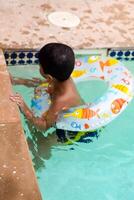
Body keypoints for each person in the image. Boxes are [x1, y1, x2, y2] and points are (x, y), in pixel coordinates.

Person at [10, 43, 100, 144]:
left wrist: (25, 108)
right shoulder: (65, 79)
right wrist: (18, 81)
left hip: (78, 131)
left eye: (40, 66)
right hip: (74, 116)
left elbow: (44, 126)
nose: (39, 67)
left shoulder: (60, 100)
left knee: (43, 146)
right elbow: (42, 84)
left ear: (49, 77)